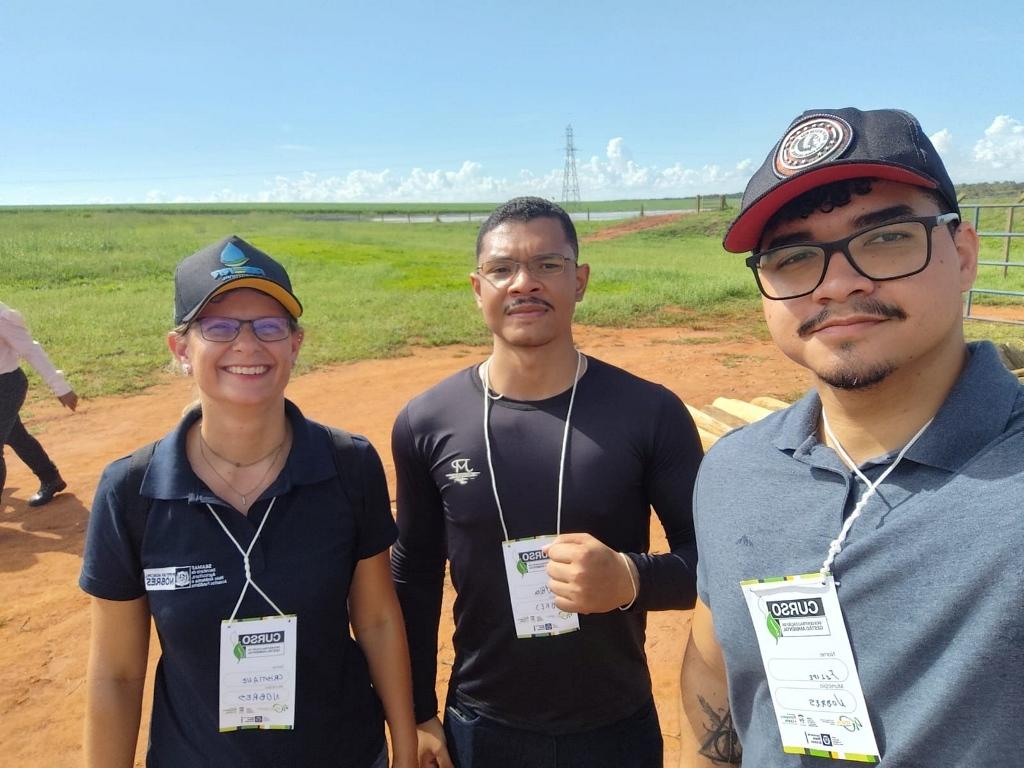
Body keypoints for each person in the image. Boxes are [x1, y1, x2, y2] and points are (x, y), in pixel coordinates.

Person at [680, 107, 1023, 767]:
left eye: (887, 237)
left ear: (963, 254)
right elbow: (715, 670)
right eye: (793, 256)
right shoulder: (732, 473)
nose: (838, 283)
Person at [80, 236, 417, 767]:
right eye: (218, 328)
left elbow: (375, 618)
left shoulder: (348, 464)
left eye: (269, 326)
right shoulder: (131, 491)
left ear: (295, 344)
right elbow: (117, 675)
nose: (247, 345)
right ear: (181, 349)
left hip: (346, 753)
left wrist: (404, 744)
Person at [391, 197, 703, 768]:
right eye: (502, 268)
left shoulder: (649, 412)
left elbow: (708, 563)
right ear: (476, 287)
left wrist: (630, 579)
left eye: (549, 266)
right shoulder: (426, 422)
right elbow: (413, 574)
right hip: (481, 727)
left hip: (615, 727)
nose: (524, 284)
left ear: (579, 280)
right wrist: (417, 713)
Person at [0, 302, 78, 506]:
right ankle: (51, 478)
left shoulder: (2, 317)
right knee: (15, 436)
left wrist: (60, 386)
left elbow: (30, 350)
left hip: (6, 386)